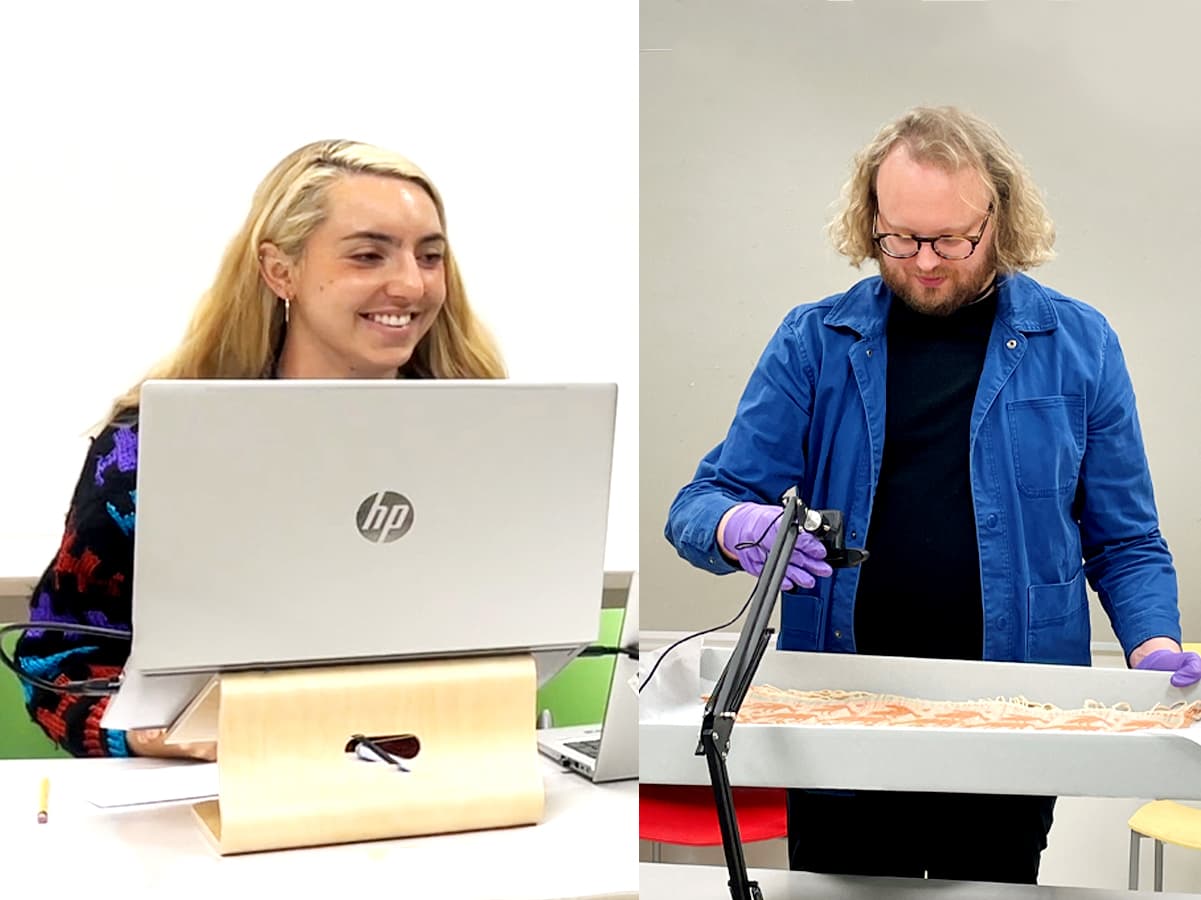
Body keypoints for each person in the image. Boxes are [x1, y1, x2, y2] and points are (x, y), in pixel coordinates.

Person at [663, 105, 1201, 885]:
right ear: (869, 218)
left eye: (951, 239)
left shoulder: (1079, 345)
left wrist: (1151, 642)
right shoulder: (814, 342)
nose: (922, 262)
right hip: (841, 720)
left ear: (1000, 218)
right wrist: (730, 526)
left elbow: (1123, 540)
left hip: (1010, 719)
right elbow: (699, 501)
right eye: (899, 238)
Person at [15, 139, 505, 759]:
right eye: (368, 255)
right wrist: (149, 734)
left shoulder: (488, 442)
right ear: (281, 271)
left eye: (430, 257)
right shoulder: (150, 448)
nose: (410, 284)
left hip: (450, 781)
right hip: (224, 794)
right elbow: (55, 661)